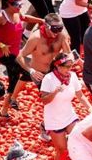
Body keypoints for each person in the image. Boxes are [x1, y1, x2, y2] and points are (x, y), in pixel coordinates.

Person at [0, 0, 43, 117]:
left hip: (15, 53)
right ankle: (12, 99)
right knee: (28, 73)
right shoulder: (1, 17)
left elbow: (25, 17)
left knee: (14, 80)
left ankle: (4, 111)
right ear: (8, 4)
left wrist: (41, 20)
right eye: (16, 4)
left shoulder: (17, 13)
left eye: (21, 4)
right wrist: (0, 44)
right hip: (5, 55)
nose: (19, 7)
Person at [16, 12, 71, 142]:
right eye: (54, 29)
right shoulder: (35, 38)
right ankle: (46, 127)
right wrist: (31, 71)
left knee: (60, 99)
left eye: (59, 28)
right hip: (39, 74)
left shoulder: (61, 35)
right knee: (51, 101)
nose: (57, 32)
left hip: (54, 71)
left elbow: (68, 53)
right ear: (46, 26)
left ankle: (55, 126)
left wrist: (68, 63)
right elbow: (20, 56)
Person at [40, 52, 92, 160]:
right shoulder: (48, 79)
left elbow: (80, 95)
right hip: (54, 120)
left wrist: (90, 108)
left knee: (82, 138)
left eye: (71, 66)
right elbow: (44, 101)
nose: (69, 70)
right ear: (57, 66)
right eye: (66, 67)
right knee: (62, 151)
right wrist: (54, 92)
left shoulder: (73, 77)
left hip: (69, 116)